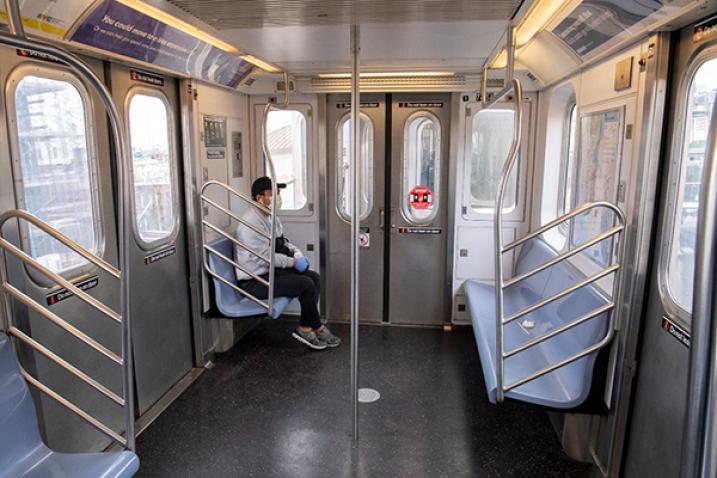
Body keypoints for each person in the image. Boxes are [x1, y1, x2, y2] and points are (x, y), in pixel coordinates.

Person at [234, 176, 341, 350]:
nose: (277, 198)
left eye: (277, 194)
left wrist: (297, 254)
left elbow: (282, 243)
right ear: (259, 198)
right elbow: (266, 257)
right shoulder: (250, 224)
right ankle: (313, 327)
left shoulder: (269, 217)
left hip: (268, 272)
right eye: (272, 194)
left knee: (313, 277)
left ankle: (307, 326)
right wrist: (292, 263)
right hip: (254, 280)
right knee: (305, 284)